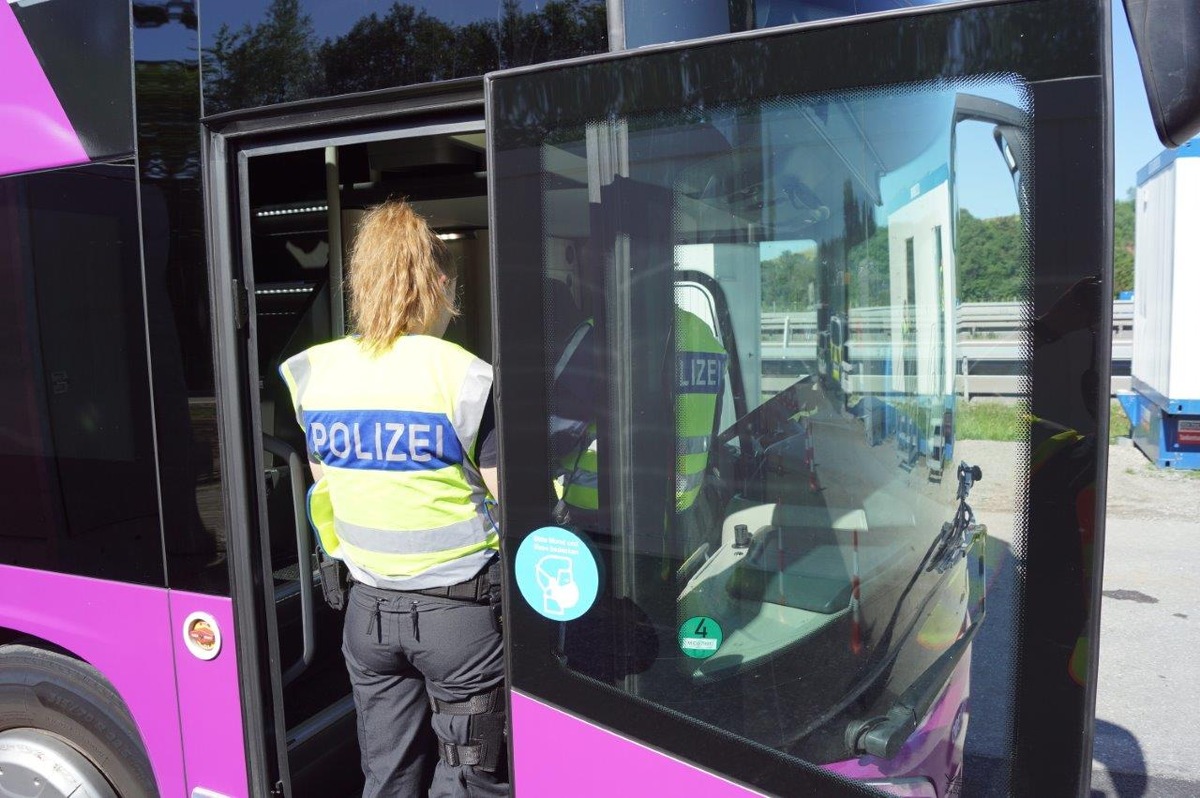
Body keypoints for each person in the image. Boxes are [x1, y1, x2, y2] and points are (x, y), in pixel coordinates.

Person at [279, 200, 506, 798]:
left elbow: (324, 484)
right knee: (469, 774)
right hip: (460, 619)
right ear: (435, 284)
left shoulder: (318, 373)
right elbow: (511, 500)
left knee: (387, 775)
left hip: (365, 615)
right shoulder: (464, 375)